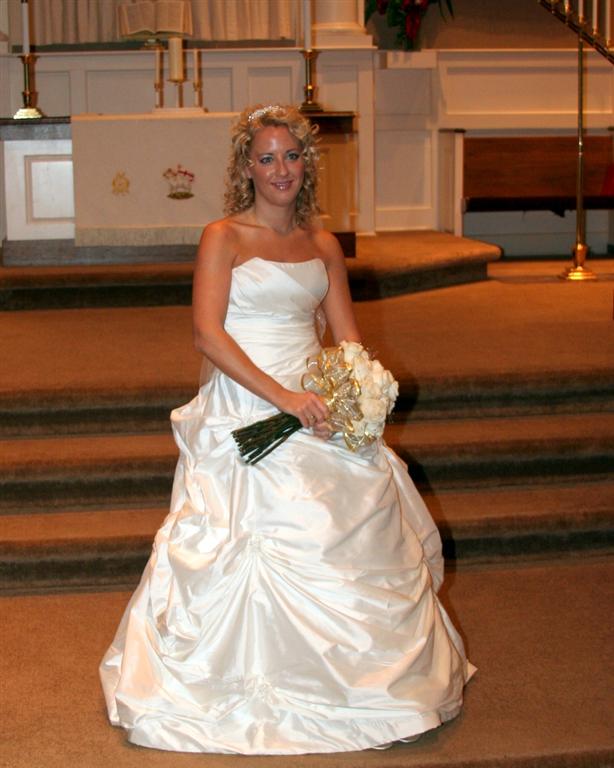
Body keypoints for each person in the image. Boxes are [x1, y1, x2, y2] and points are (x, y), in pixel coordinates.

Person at [100, 104, 475, 755]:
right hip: (248, 404)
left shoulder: (323, 246)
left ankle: (360, 687)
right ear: (246, 167)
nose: (281, 170)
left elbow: (348, 342)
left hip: (314, 405)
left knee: (346, 515)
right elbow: (207, 334)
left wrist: (351, 400)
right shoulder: (223, 237)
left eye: (292, 156)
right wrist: (284, 398)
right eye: (267, 158)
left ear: (308, 164)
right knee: (254, 533)